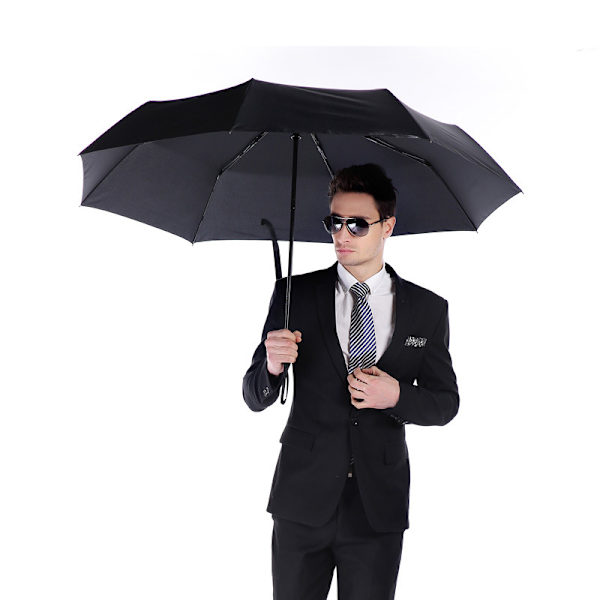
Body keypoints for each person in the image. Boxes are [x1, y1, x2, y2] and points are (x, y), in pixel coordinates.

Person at [242, 163, 459, 600]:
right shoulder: (294, 294)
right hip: (302, 499)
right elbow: (253, 394)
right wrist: (273, 366)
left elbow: (445, 403)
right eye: (334, 222)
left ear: (387, 226)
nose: (342, 234)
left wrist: (396, 395)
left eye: (357, 224)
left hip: (377, 506)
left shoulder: (427, 309)